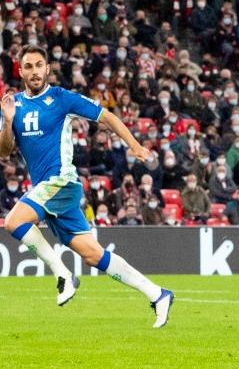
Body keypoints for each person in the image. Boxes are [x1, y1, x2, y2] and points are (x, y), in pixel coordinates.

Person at [0, 46, 173, 327]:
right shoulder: (12, 105)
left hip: (60, 182)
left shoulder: (61, 98)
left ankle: (63, 274)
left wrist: (136, 146)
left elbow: (107, 117)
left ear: (47, 68)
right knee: (93, 254)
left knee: (13, 221)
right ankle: (158, 294)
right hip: (49, 191)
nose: (34, 71)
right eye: (28, 66)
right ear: (20, 71)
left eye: (39, 65)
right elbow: (4, 151)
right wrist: (7, 122)